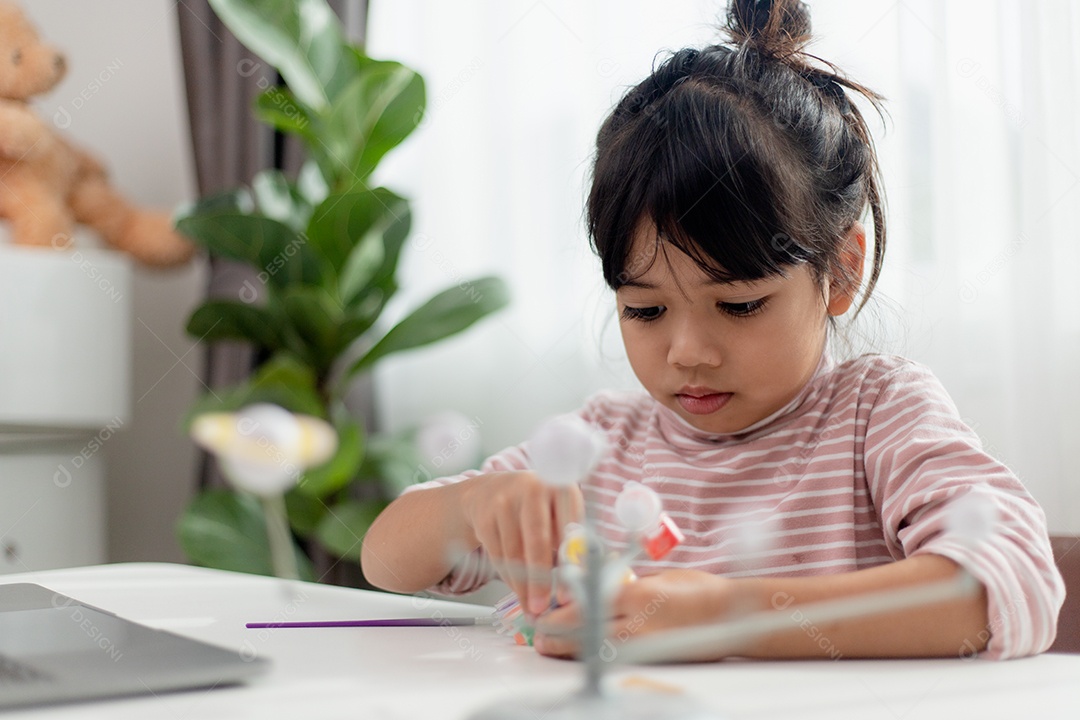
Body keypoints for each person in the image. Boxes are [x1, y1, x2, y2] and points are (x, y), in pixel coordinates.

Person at [361, 0, 1063, 661]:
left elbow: (1011, 585)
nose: (688, 353)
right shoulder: (603, 446)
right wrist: (472, 507)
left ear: (841, 272)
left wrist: (724, 614)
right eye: (645, 311)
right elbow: (384, 561)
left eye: (740, 305)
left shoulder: (876, 415)